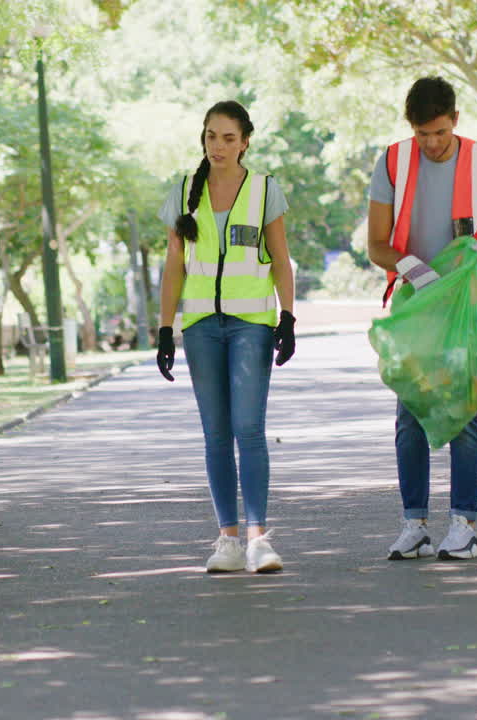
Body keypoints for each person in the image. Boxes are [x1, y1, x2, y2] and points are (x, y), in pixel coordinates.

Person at [366, 76, 477, 560]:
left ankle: (463, 525)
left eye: (438, 132)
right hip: (416, 306)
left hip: (468, 306)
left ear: (455, 119)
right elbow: (376, 243)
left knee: (464, 414)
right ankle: (414, 525)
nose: (430, 144)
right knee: (410, 413)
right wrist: (408, 266)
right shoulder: (392, 161)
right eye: (421, 134)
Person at [156, 101, 297, 574]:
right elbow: (174, 265)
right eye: (211, 137)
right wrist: (164, 328)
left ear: (246, 141)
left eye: (229, 138)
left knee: (248, 430)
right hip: (200, 327)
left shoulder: (263, 190)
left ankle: (259, 540)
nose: (219, 146)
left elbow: (280, 258)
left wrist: (289, 317)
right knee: (215, 435)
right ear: (203, 139)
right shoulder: (183, 193)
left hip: (251, 324)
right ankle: (228, 541)